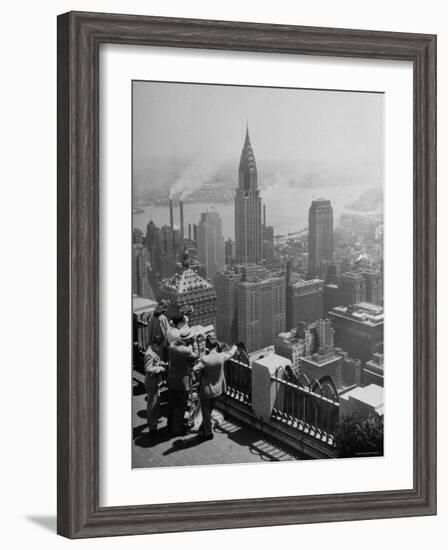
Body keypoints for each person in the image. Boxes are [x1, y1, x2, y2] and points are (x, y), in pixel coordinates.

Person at [193, 337, 237, 440]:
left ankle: (208, 433)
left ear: (208, 348)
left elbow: (195, 369)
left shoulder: (205, 359)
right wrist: (234, 347)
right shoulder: (221, 356)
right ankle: (203, 428)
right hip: (218, 390)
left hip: (207, 390)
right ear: (217, 346)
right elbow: (230, 354)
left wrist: (199, 377)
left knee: (206, 412)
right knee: (209, 410)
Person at [167, 327, 199, 436]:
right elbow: (196, 355)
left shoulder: (172, 346)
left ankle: (170, 426)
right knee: (181, 406)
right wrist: (194, 342)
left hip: (172, 379)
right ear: (188, 339)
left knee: (172, 404)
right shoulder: (186, 350)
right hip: (182, 382)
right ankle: (177, 429)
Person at [143, 341, 167, 434]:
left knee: (154, 403)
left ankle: (153, 423)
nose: (160, 349)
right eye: (159, 346)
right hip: (152, 382)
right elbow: (148, 369)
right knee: (153, 405)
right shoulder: (150, 354)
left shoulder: (152, 351)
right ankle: (153, 427)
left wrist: (160, 363)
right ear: (155, 345)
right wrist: (160, 369)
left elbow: (154, 363)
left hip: (154, 382)